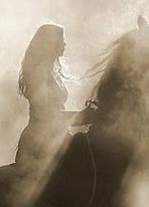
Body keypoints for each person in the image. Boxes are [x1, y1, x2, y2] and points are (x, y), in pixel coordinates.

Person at [15, 23, 96, 179]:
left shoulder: (51, 71)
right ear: (50, 43)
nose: (65, 44)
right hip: (40, 142)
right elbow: (45, 115)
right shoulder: (38, 73)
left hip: (56, 137)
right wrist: (82, 116)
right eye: (62, 39)